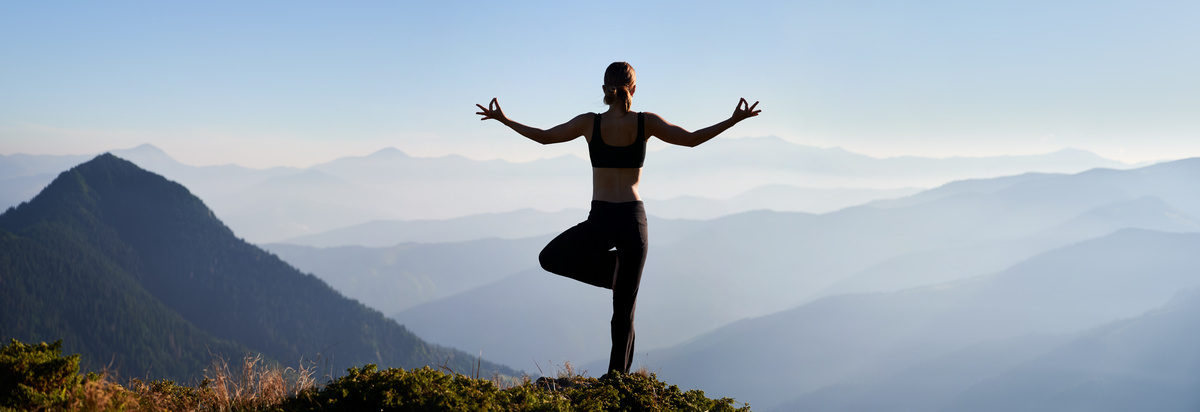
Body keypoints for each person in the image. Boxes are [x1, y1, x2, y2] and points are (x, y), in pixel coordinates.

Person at [475, 61, 760, 375]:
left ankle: (616, 373)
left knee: (552, 257)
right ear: (634, 89)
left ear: (604, 90)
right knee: (623, 314)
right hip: (633, 221)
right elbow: (690, 139)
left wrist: (504, 120)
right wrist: (733, 121)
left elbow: (544, 137)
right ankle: (617, 368)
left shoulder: (589, 123)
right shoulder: (645, 122)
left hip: (601, 218)